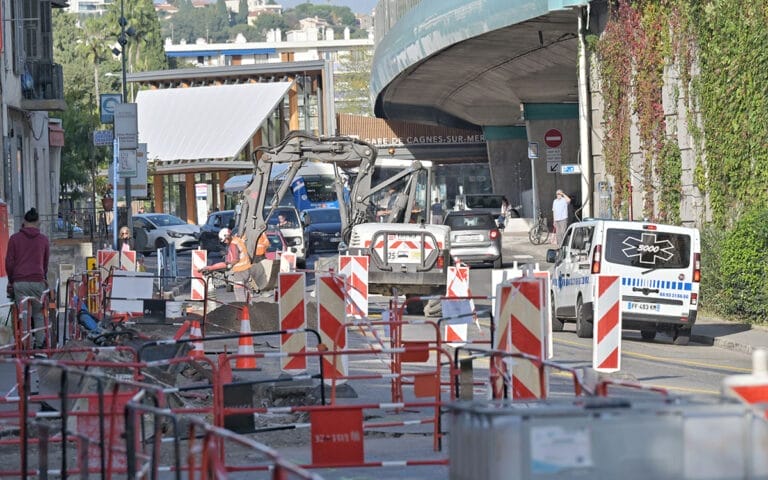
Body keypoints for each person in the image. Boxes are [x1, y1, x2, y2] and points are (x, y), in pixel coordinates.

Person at [6, 208, 50, 349]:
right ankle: (40, 344)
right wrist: (43, 276)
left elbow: (9, 263)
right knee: (38, 313)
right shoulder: (43, 239)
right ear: (38, 222)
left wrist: (12, 280)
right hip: (37, 281)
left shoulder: (14, 239)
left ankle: (25, 345)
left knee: (23, 313)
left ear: (24, 222)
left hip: (20, 281)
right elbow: (45, 262)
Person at [199, 228, 270, 301]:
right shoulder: (237, 240)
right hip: (246, 270)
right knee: (246, 293)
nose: (225, 242)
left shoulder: (233, 244)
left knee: (239, 293)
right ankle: (249, 308)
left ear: (228, 236)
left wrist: (212, 267)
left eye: (225, 240)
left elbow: (234, 260)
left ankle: (243, 309)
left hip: (240, 272)